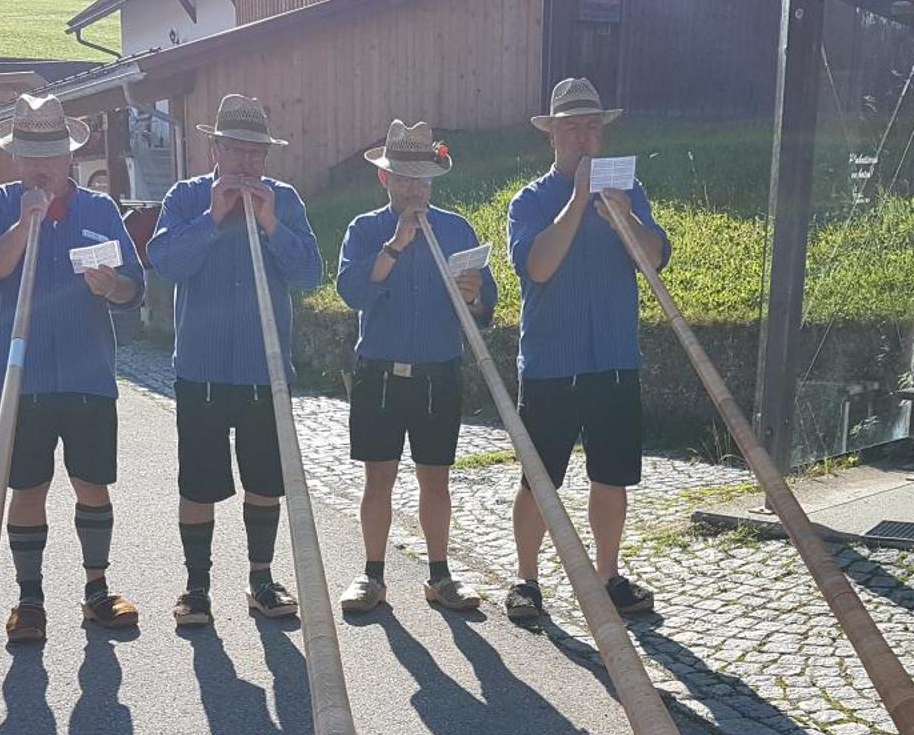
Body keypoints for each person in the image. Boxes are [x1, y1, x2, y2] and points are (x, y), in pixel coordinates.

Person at [0, 93, 146, 643]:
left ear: (69, 157)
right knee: (27, 487)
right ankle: (30, 599)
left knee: (92, 484)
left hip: (89, 374)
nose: (41, 165)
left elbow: (134, 289)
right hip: (23, 378)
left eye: (52, 153)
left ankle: (96, 590)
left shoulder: (100, 210)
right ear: (14, 159)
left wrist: (112, 286)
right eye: (29, 154)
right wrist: (24, 224)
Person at [147, 92, 321, 628]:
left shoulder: (285, 199)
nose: (247, 162)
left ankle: (261, 578)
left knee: (265, 481)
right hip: (201, 368)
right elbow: (164, 263)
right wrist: (211, 218)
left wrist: (272, 226)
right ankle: (196, 587)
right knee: (198, 484)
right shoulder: (185, 196)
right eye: (237, 149)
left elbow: (309, 276)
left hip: (264, 372)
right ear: (215, 149)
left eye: (257, 152)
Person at [503, 77, 670, 623]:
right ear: (552, 136)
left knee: (612, 475)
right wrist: (578, 200)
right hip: (552, 364)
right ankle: (527, 579)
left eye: (591, 126)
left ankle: (607, 576)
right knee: (539, 479)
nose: (583, 137)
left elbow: (653, 262)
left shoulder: (631, 190)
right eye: (571, 127)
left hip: (614, 360)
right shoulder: (529, 201)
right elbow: (539, 265)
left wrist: (628, 218)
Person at [334, 120, 495, 616]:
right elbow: (353, 292)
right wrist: (395, 246)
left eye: (423, 179)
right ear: (385, 179)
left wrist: (475, 298)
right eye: (404, 178)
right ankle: (372, 574)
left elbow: (486, 304)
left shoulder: (456, 228)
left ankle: (440, 575)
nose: (415, 188)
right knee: (378, 476)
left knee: (435, 478)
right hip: (380, 370)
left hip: (438, 371)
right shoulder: (365, 229)